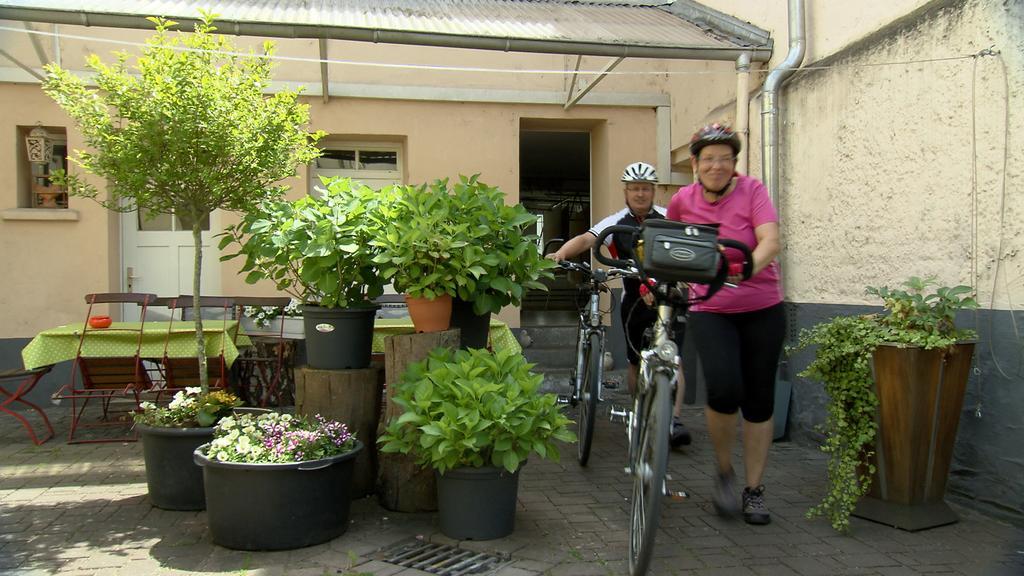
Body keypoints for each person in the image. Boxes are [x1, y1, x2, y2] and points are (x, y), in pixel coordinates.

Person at [665, 123, 785, 525]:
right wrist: (657, 281)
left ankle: (754, 489)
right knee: (724, 388)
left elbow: (770, 240)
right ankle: (724, 470)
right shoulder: (683, 200)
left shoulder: (753, 191)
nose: (717, 165)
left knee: (759, 400)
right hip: (710, 308)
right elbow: (670, 247)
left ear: (734, 163)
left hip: (762, 307)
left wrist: (745, 267)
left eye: (725, 158)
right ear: (695, 164)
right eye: (709, 158)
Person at [546, 161, 691, 448]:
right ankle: (640, 409)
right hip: (633, 302)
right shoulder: (615, 223)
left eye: (645, 189)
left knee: (673, 358)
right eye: (635, 189)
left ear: (653, 191)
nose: (640, 194)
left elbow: (685, 247)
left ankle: (674, 420)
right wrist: (560, 254)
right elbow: (588, 239)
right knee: (636, 362)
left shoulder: (666, 217)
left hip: (666, 297)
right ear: (626, 191)